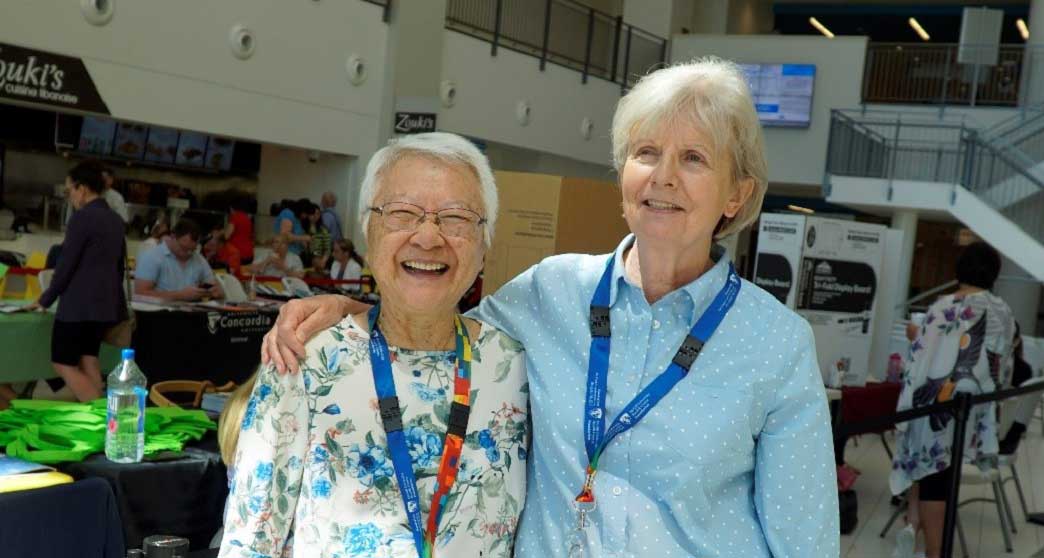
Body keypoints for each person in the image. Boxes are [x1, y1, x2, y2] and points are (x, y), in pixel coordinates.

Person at [261, 59, 839, 557]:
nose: (663, 177)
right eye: (646, 152)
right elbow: (433, 329)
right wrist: (352, 306)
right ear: (623, 174)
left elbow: (804, 540)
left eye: (693, 159)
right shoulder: (551, 292)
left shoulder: (775, 343)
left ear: (736, 193)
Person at [220, 132, 528, 557]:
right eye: (402, 213)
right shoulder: (306, 357)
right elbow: (251, 537)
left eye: (456, 218)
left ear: (484, 246)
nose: (428, 236)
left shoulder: (515, 367)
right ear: (367, 233)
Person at [891, 241, 1016, 558]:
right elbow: (1001, 364)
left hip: (933, 404)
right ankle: (922, 533)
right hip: (971, 409)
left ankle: (928, 542)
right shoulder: (1001, 310)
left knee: (931, 471)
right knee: (940, 473)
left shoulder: (939, 307)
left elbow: (918, 361)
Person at [26, 161, 127, 401]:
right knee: (88, 357)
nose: (69, 195)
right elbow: (119, 267)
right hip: (105, 306)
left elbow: (65, 266)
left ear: (82, 188)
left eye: (70, 189)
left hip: (78, 307)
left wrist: (44, 299)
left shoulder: (82, 218)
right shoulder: (115, 220)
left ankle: (102, 416)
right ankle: (100, 414)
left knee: (63, 363)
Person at [135, 218, 224, 301]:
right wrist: (180, 295)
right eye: (184, 248)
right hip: (161, 312)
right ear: (173, 237)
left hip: (192, 312)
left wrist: (216, 291)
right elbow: (140, 294)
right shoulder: (152, 256)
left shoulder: (198, 259)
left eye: (192, 250)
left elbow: (215, 287)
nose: (188, 253)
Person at [224, 199, 255, 265]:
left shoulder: (234, 217)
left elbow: (226, 235)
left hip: (238, 254)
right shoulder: (247, 218)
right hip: (249, 254)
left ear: (231, 208)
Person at [306, 202, 332, 270]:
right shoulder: (303, 228)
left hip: (319, 260)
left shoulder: (323, 230)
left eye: (317, 213)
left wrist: (323, 261)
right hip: (305, 259)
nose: (315, 216)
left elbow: (328, 249)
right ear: (308, 214)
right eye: (313, 213)